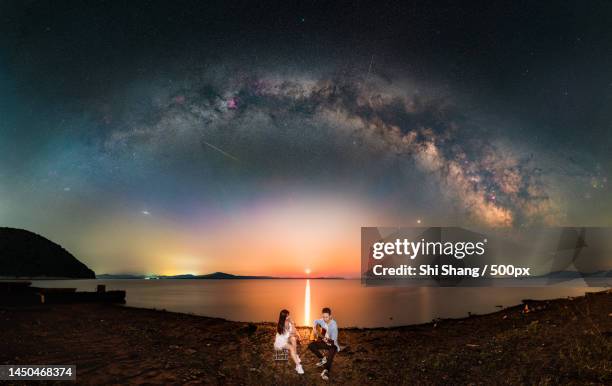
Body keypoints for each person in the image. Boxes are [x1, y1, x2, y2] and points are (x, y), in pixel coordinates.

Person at [308, 307, 339, 380]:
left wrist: (325, 339)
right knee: (311, 345)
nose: (325, 319)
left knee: (330, 358)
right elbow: (315, 321)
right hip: (324, 342)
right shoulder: (322, 320)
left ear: (330, 316)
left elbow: (333, 341)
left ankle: (326, 371)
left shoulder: (334, 326)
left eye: (327, 317)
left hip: (332, 344)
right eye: (323, 317)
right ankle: (322, 359)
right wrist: (314, 328)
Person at [274, 309, 304, 374]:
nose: (289, 317)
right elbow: (292, 333)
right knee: (292, 347)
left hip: (286, 339)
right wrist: (293, 324)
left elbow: (294, 331)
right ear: (284, 317)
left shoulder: (288, 322)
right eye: (287, 316)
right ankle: (298, 365)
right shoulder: (281, 325)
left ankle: (295, 356)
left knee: (293, 339)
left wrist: (298, 335)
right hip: (280, 343)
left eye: (288, 315)